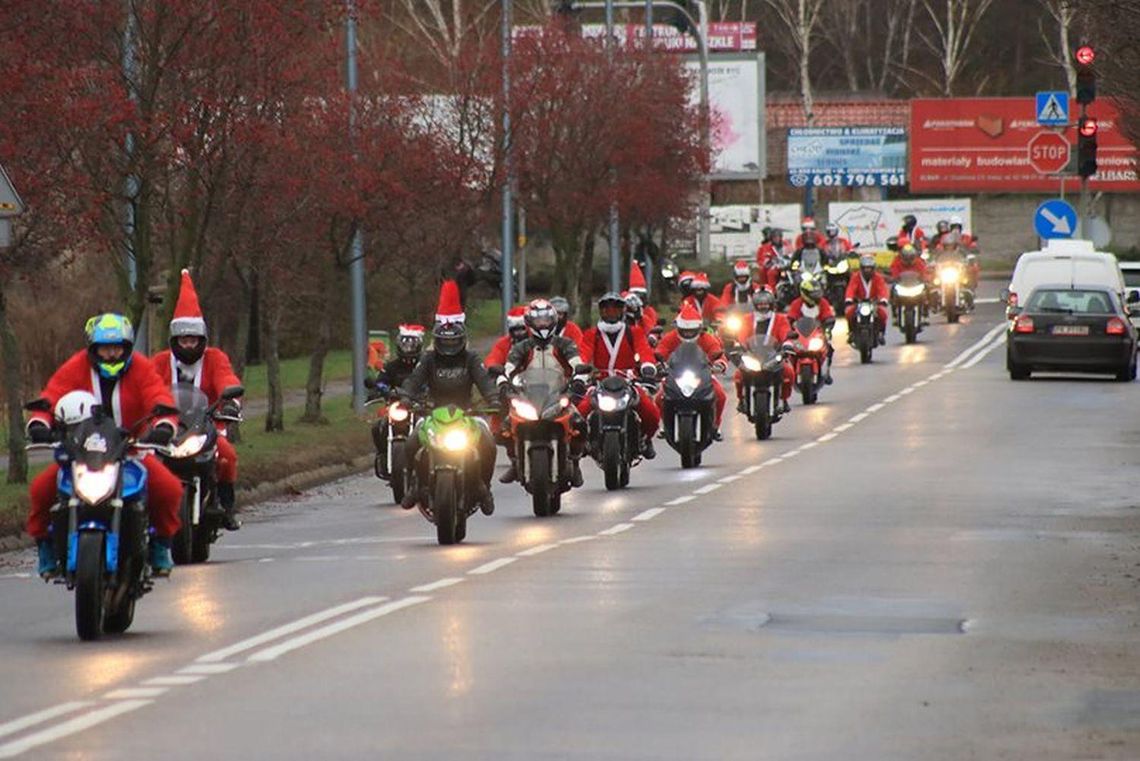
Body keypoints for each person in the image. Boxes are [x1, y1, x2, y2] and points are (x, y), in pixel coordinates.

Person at [27, 314, 183, 578]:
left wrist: (164, 425)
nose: (111, 354)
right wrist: (39, 423)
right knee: (42, 489)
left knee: (169, 489)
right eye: (104, 348)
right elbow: (52, 396)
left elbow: (158, 396)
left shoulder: (142, 369)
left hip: (131, 451)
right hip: (81, 454)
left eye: (117, 348)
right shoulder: (76, 367)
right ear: (92, 349)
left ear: (127, 347)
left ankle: (160, 545)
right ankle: (46, 547)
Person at [151, 270, 244, 531]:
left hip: (207, 424)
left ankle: (226, 505)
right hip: (168, 426)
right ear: (174, 340)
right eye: (184, 339)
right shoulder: (159, 361)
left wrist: (229, 402)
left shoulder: (215, 358)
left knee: (226, 455)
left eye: (194, 340)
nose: (189, 345)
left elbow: (226, 379)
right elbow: (147, 387)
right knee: (144, 459)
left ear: (202, 339)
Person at [399, 281, 498, 515]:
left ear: (462, 339)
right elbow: (414, 380)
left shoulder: (472, 358)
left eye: (455, 341)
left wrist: (494, 399)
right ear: (438, 340)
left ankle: (484, 487)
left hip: (467, 414)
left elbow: (484, 380)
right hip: (432, 414)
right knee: (411, 443)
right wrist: (405, 397)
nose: (450, 345)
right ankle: (415, 484)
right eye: (446, 341)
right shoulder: (429, 359)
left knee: (489, 444)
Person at [499, 299, 586, 487]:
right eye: (538, 321)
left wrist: (579, 379)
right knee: (505, 427)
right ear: (529, 322)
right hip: (529, 398)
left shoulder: (564, 344)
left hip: (558, 395)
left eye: (546, 321)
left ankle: (575, 461)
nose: (543, 325)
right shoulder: (521, 347)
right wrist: (503, 382)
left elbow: (577, 363)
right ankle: (515, 462)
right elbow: (508, 368)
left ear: (553, 321)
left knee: (580, 423)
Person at [578, 292, 660, 459]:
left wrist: (648, 367)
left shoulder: (634, 332)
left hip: (628, 381)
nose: (611, 313)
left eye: (615, 309)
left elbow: (644, 350)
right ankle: (584, 442)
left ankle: (645, 439)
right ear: (601, 312)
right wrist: (580, 370)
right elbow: (584, 353)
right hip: (601, 382)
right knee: (580, 412)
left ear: (622, 312)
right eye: (607, 310)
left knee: (650, 411)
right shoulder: (592, 334)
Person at [654, 302, 728, 439]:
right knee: (659, 398)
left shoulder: (706, 338)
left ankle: (715, 425)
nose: (688, 333)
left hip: (703, 375)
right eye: (685, 330)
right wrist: (658, 364)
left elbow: (717, 351)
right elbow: (660, 350)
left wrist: (719, 364)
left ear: (699, 328)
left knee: (720, 395)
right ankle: (665, 424)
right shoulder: (671, 337)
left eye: (691, 330)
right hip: (675, 375)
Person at [368, 324, 425, 478]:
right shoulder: (391, 366)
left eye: (411, 345)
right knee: (378, 426)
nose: (408, 349)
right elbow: (381, 381)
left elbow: (433, 381)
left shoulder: (424, 365)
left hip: (420, 406)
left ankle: (428, 461)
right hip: (397, 406)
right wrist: (379, 388)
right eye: (405, 345)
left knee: (429, 430)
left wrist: (428, 392)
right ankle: (383, 456)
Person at [733, 289, 794, 414]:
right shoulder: (747, 319)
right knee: (739, 375)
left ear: (771, 304)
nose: (763, 306)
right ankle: (742, 400)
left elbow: (785, 333)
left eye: (766, 303)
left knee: (788, 372)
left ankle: (784, 400)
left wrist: (787, 344)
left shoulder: (780, 319)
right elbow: (742, 334)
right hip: (752, 355)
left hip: (773, 354)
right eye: (760, 304)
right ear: (755, 304)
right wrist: (740, 346)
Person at [786, 275, 836, 384]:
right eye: (813, 294)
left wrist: (828, 323)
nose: (816, 297)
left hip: (817, 334)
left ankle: (826, 371)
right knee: (788, 350)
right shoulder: (797, 304)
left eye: (817, 294)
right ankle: (789, 371)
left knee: (829, 349)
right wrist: (790, 327)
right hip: (800, 335)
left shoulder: (823, 303)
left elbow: (828, 315)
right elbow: (790, 317)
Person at [844, 254, 890, 345]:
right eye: (865, 268)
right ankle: (851, 332)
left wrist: (883, 299)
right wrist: (849, 299)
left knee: (883, 314)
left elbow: (882, 289)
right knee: (849, 313)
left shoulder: (878, 277)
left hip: (874, 302)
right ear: (861, 268)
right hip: (859, 302)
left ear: (873, 268)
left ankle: (881, 332)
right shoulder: (856, 277)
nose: (867, 270)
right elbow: (851, 289)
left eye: (869, 268)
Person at [628, 261, 658, 330]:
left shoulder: (649, 311)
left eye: (641, 296)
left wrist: (641, 317)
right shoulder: (625, 310)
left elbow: (651, 329)